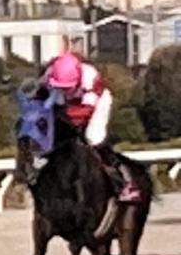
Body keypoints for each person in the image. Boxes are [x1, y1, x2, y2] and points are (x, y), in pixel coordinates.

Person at [41, 50, 139, 199]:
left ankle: (123, 182)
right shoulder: (50, 75)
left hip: (97, 103)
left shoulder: (89, 80)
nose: (64, 91)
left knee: (92, 137)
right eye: (61, 87)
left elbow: (81, 114)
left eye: (67, 87)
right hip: (70, 106)